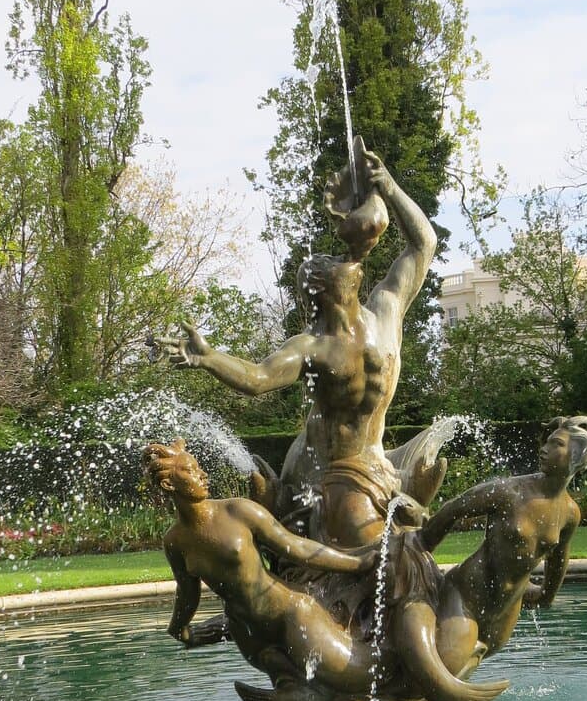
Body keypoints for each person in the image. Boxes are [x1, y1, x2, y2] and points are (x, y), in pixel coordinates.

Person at [157, 144, 437, 548]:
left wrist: (389, 187)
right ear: (322, 289)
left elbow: (423, 243)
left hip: (373, 461)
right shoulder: (312, 347)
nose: (342, 259)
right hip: (318, 473)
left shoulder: (386, 309)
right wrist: (208, 357)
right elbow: (257, 379)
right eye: (328, 261)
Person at [390, 417, 587, 701]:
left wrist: (547, 595)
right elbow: (454, 509)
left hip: (506, 612)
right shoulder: (510, 492)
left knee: (459, 668)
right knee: (446, 664)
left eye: (557, 444)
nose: (545, 448)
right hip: (468, 596)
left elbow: (558, 557)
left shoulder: (569, 512)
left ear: (576, 458)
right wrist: (420, 546)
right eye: (548, 441)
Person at [145, 440, 380, 696]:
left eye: (199, 467)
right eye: (191, 470)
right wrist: (178, 627)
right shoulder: (175, 541)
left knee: (355, 680)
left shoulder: (239, 511)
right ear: (169, 484)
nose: (202, 475)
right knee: (297, 698)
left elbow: (297, 548)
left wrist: (357, 563)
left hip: (290, 615)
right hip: (248, 633)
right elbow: (188, 592)